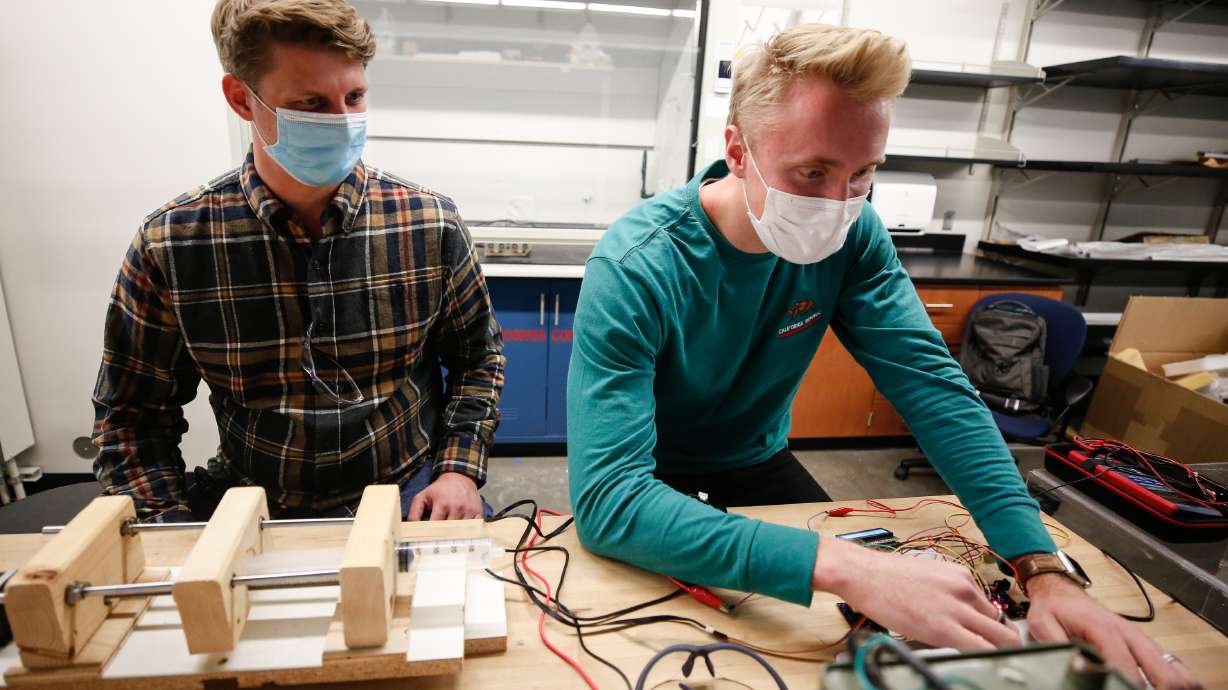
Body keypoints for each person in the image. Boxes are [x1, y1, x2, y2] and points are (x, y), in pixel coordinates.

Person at [566, 23, 1199, 690]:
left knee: (860, 641)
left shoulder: (855, 234)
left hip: (757, 463)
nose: (839, 203)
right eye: (813, 172)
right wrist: (846, 567)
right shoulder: (639, 263)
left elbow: (933, 388)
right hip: (652, 478)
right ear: (739, 151)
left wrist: (1040, 567)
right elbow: (611, 498)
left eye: (863, 173)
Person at [92, 0, 504, 524]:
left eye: (354, 97)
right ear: (241, 98)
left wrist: (459, 470)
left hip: (407, 489)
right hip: (254, 498)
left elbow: (478, 359)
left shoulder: (428, 222)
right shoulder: (172, 244)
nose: (344, 122)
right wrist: (164, 530)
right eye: (311, 104)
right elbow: (132, 415)